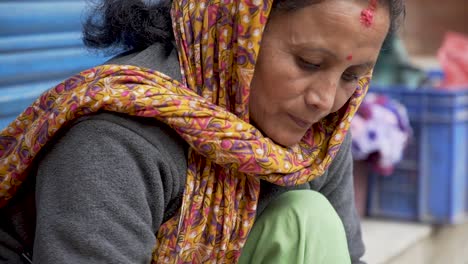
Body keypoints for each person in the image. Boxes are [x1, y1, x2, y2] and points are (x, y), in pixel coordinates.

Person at [0, 0, 404, 263]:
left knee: (306, 219)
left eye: (352, 75)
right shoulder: (116, 139)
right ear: (234, 33)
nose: (326, 99)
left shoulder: (315, 138)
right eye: (309, 62)